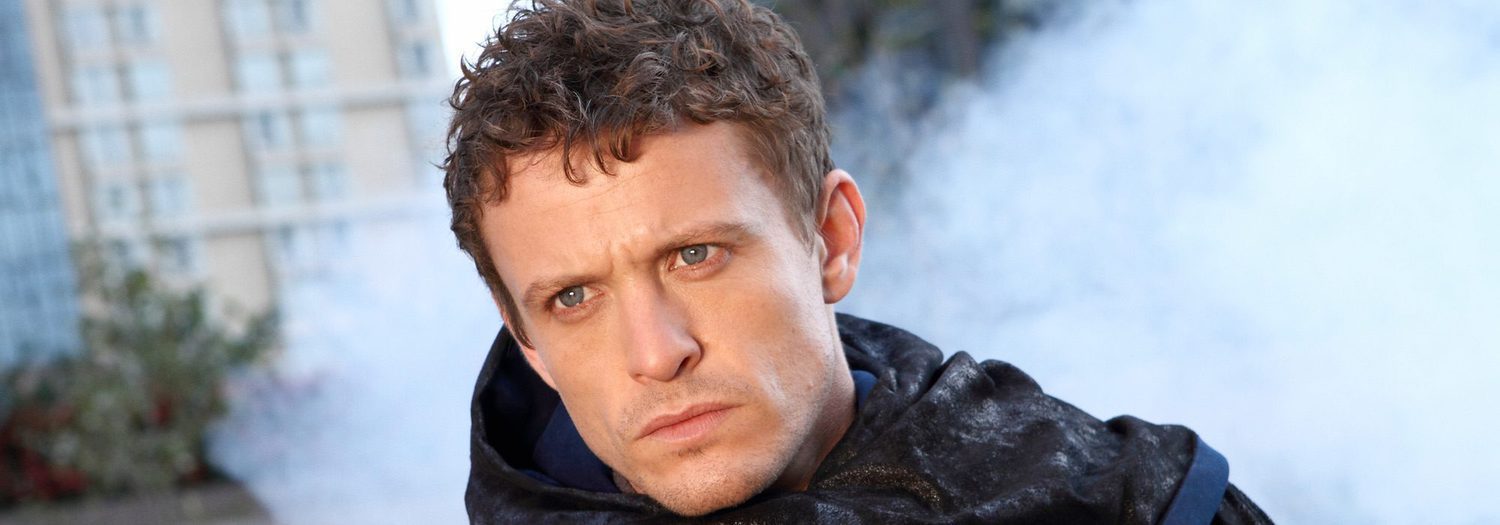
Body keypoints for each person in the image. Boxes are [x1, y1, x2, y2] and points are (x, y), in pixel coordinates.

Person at [442, 0, 1272, 522]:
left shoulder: (1122, 502)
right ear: (528, 344)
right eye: (574, 297)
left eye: (695, 254)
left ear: (831, 240)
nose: (656, 353)